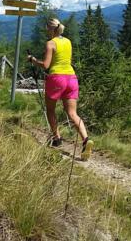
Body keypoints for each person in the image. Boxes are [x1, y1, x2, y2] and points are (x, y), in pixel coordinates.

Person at [27, 18, 92, 161]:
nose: (46, 31)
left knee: (50, 110)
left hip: (57, 78)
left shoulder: (50, 43)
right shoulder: (68, 41)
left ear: (50, 29)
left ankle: (57, 138)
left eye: (46, 29)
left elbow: (46, 65)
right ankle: (86, 140)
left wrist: (33, 60)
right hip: (71, 78)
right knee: (73, 113)